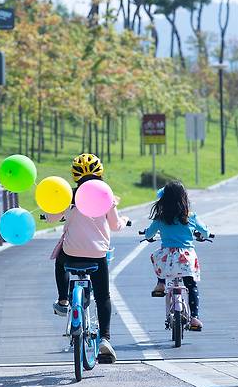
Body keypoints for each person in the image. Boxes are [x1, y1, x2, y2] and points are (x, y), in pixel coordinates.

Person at [45, 153, 129, 362]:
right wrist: (125, 220)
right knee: (103, 296)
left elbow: (51, 218)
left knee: (60, 260)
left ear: (75, 175)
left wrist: (50, 212)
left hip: (72, 253)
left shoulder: (68, 196)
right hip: (98, 254)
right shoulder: (105, 196)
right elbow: (115, 225)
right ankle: (105, 339)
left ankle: (63, 299)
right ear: (100, 172)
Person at [144, 181, 210, 331]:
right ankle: (194, 317)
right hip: (186, 258)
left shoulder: (161, 218)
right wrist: (205, 234)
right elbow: (205, 232)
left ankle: (161, 283)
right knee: (191, 285)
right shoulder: (190, 217)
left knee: (157, 257)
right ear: (184, 198)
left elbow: (149, 234)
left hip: (167, 256)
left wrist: (148, 235)